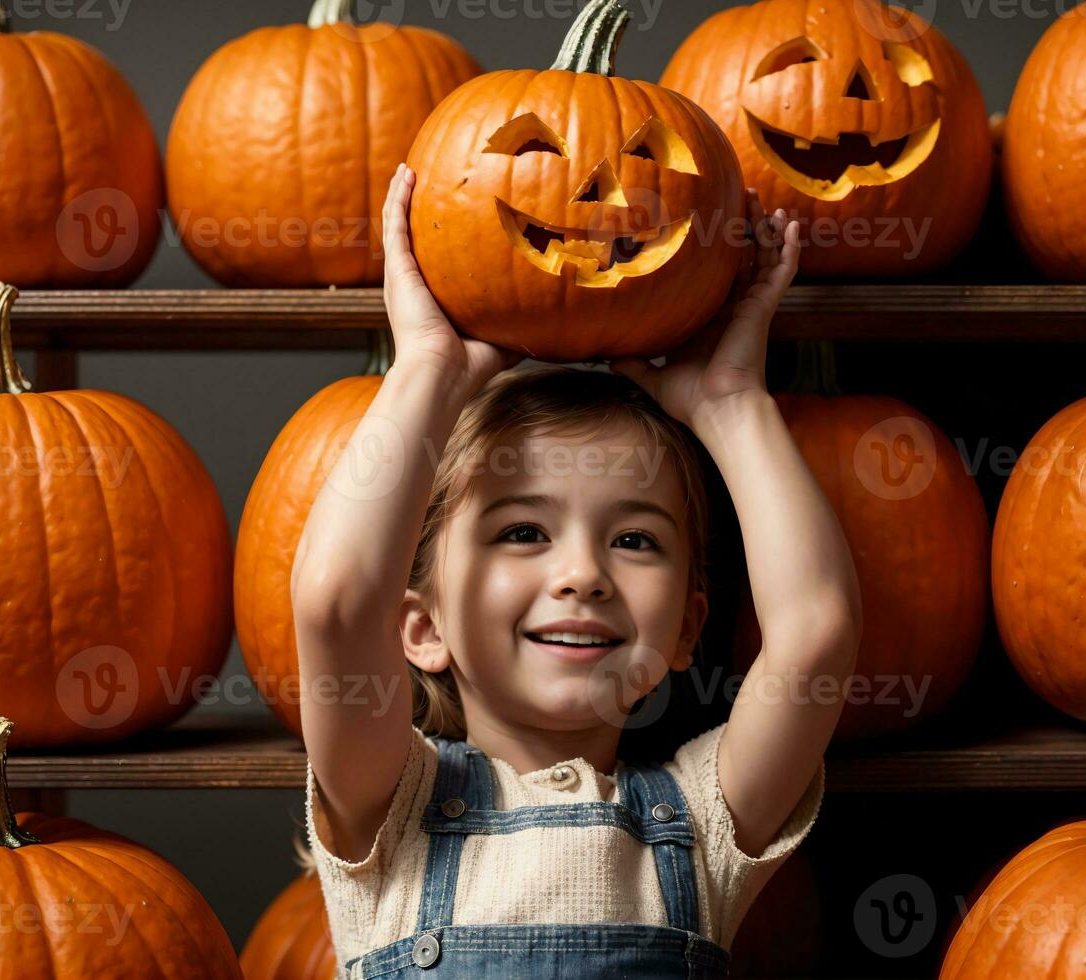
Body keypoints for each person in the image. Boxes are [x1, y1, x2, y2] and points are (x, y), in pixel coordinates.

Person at [291, 161, 861, 978]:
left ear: (686, 631)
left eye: (634, 541)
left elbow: (816, 634)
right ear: (419, 627)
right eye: (523, 531)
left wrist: (731, 401)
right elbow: (337, 606)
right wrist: (429, 370)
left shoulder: (702, 821)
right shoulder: (392, 805)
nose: (583, 573)